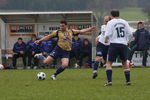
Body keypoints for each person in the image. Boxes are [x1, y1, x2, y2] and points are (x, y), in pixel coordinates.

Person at [104, 9, 132, 86]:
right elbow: (130, 34)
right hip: (123, 44)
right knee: (124, 62)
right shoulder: (125, 22)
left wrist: (106, 41)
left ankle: (109, 81)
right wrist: (127, 42)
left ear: (111, 15)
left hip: (114, 44)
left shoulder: (110, 22)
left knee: (109, 63)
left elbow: (107, 34)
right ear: (118, 14)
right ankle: (128, 81)